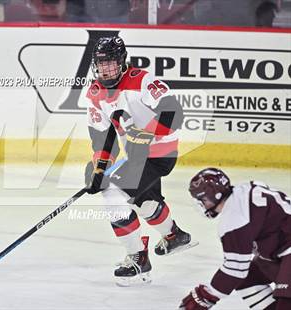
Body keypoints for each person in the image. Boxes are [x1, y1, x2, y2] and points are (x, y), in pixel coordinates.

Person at [84, 36, 193, 286]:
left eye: (111, 63)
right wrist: (100, 167)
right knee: (143, 200)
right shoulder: (95, 93)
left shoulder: (142, 80)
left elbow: (173, 113)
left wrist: (147, 133)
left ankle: (137, 258)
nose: (106, 70)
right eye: (101, 64)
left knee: (113, 196)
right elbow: (102, 137)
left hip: (160, 154)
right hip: (135, 156)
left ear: (122, 62)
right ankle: (174, 235)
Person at [181, 168, 291, 309]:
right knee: (249, 280)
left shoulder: (233, 218)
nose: (202, 204)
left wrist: (205, 296)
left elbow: (235, 269)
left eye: (203, 199)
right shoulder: (244, 190)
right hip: (280, 250)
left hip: (286, 250)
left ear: (216, 195)